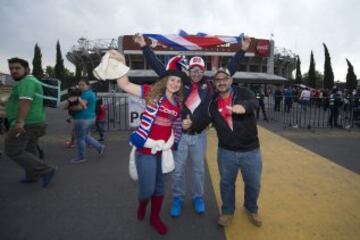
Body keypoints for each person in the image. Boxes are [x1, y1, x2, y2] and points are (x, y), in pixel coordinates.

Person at [133, 33, 251, 217]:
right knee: (178, 171)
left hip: (200, 136)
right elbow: (160, 70)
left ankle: (198, 197)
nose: (196, 73)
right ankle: (178, 198)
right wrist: (144, 47)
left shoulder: (211, 87)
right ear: (188, 71)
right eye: (193, 69)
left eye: (199, 70)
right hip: (180, 136)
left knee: (198, 170)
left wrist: (242, 50)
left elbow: (229, 71)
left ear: (203, 71)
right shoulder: (180, 84)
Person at [110, 49, 188, 235]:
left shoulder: (178, 104)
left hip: (164, 150)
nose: (175, 83)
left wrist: (186, 123)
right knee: (147, 190)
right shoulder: (152, 93)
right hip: (146, 150)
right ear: (165, 81)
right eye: (172, 80)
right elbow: (125, 84)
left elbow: (178, 126)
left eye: (178, 81)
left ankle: (154, 217)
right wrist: (121, 63)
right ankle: (142, 203)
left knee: (160, 188)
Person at [208, 67, 262, 228]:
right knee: (226, 183)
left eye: (225, 79)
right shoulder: (212, 102)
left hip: (251, 150)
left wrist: (243, 107)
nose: (222, 82)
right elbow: (203, 119)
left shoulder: (243, 92)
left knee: (253, 183)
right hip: (226, 151)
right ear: (214, 83)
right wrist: (190, 124)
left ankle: (251, 208)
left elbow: (255, 102)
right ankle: (227, 211)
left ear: (231, 80)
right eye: (218, 80)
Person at [4, 57, 56, 187]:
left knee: (12, 149)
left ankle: (46, 170)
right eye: (11, 69)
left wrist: (19, 122)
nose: (13, 71)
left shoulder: (28, 81)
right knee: (30, 149)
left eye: (17, 68)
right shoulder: (29, 81)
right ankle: (33, 175)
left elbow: (25, 101)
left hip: (27, 123)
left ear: (27, 69)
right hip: (35, 122)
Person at [64, 80, 105, 163]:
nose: (80, 86)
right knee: (85, 136)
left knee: (80, 138)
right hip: (90, 118)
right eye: (79, 85)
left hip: (82, 118)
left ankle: (81, 157)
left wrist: (69, 108)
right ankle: (99, 147)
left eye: (83, 85)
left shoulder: (86, 94)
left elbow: (80, 107)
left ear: (88, 86)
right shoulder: (89, 93)